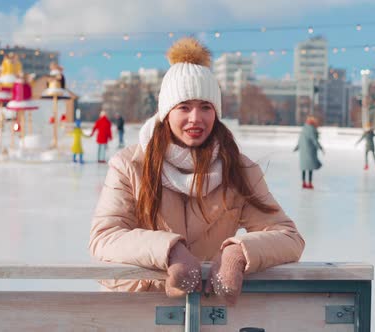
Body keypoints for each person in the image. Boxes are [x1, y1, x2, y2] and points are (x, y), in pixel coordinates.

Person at [89, 37, 305, 305]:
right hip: (135, 308)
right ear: (166, 113)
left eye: (206, 107)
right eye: (184, 107)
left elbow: (288, 237)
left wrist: (237, 252)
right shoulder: (130, 165)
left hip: (205, 312)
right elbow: (105, 237)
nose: (196, 118)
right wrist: (170, 251)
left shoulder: (239, 171)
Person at [293, 116, 324, 189]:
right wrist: (320, 147)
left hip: (303, 152)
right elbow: (314, 140)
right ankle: (309, 183)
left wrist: (297, 147)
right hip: (310, 151)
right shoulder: (311, 129)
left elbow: (300, 140)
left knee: (304, 168)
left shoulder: (304, 129)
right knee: (310, 168)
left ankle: (304, 183)